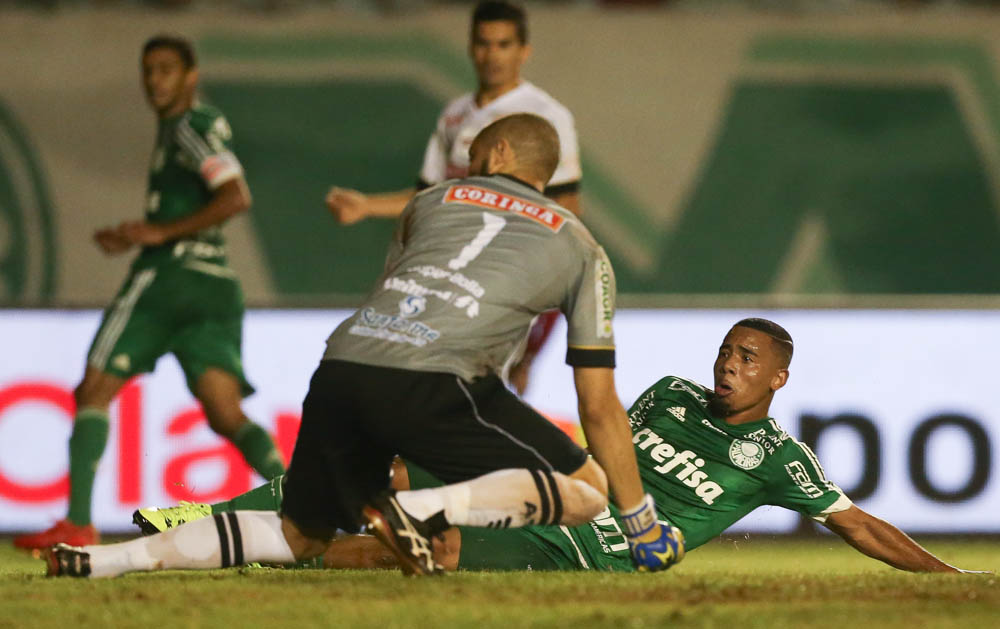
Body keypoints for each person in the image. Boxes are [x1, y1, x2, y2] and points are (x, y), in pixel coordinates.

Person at [45, 113, 682, 579]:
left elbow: (390, 295)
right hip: (444, 379)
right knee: (586, 489)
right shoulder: (583, 247)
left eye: (473, 156)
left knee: (300, 533)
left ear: (499, 153)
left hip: (347, 364)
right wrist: (641, 524)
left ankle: (107, 560)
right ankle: (421, 510)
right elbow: (598, 407)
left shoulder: (428, 204)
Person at [135, 319, 983, 574]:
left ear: (779, 380)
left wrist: (955, 582)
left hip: (603, 544)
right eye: (726, 351)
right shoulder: (672, 397)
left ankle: (280, 554)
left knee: (438, 548)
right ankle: (208, 518)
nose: (728, 365)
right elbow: (600, 440)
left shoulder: (784, 462)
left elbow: (860, 525)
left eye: (747, 359)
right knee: (387, 460)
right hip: (559, 489)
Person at [15, 35, 285, 551]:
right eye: (149, 70)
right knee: (224, 413)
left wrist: (161, 235)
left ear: (191, 76)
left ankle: (77, 523)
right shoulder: (184, 131)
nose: (155, 80)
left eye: (166, 70)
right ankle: (301, 497)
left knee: (93, 391)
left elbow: (235, 195)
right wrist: (141, 231)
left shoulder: (188, 127)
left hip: (170, 279)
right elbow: (208, 202)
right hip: (215, 284)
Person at [326, 1, 581, 394]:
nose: (492, 55)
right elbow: (430, 194)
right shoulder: (454, 114)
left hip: (501, 276)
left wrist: (538, 289)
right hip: (448, 270)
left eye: (503, 44)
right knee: (424, 372)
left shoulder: (546, 115)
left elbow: (566, 210)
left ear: (524, 50)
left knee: (478, 383)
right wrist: (366, 206)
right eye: (483, 43)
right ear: (469, 47)